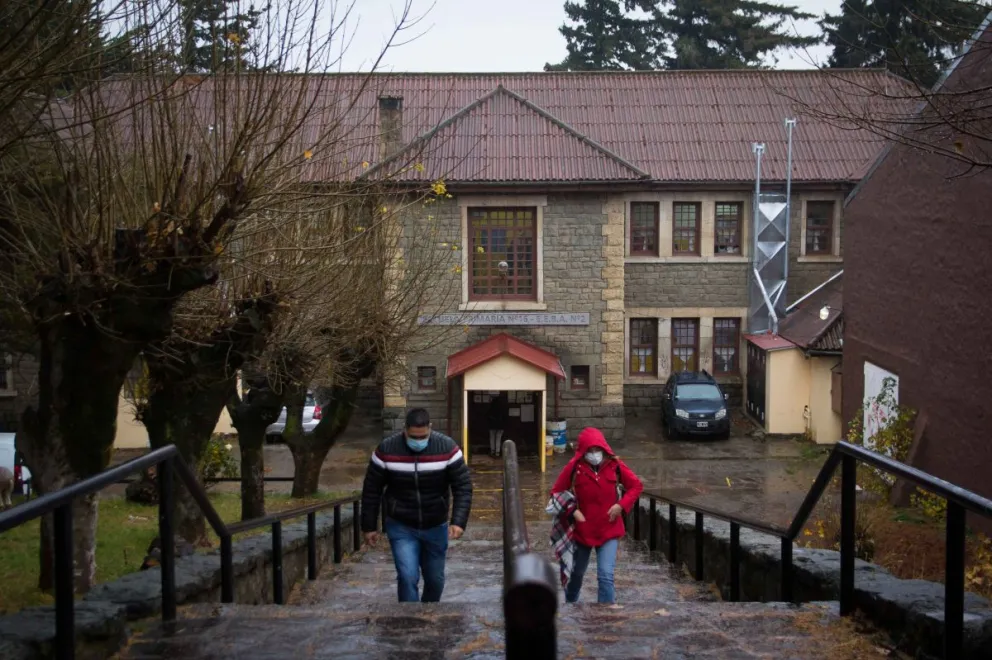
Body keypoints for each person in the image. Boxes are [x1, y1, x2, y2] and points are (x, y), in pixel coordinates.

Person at [360, 408, 473, 603]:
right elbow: (372, 489)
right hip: (401, 525)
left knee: (435, 580)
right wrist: (369, 526)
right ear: (405, 430)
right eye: (413, 437)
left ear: (430, 428)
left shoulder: (447, 448)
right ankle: (409, 621)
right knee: (407, 576)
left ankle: (429, 613)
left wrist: (458, 521)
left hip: (436, 525)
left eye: (423, 437)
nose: (418, 441)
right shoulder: (387, 450)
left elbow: (463, 487)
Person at [549, 427, 643, 604]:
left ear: (603, 448)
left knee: (606, 576)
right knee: (576, 575)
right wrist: (573, 512)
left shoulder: (615, 466)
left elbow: (636, 486)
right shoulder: (574, 468)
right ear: (583, 451)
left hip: (609, 529)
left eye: (597, 449)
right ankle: (570, 605)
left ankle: (605, 618)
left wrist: (620, 505)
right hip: (582, 532)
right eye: (589, 450)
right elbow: (556, 493)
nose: (594, 454)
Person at [487, 393, 508, 458]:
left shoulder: (491, 408)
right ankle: (497, 453)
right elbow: (505, 417)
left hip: (492, 425)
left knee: (492, 438)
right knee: (498, 439)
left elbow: (487, 416)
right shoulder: (502, 408)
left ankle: (492, 451)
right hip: (500, 426)